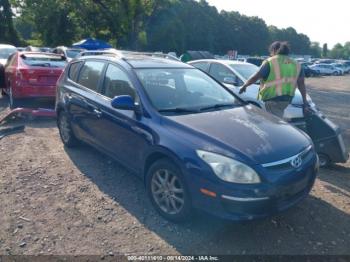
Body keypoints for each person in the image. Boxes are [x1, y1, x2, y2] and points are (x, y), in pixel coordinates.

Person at [239, 41, 310, 118]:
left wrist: (245, 85)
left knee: (274, 123)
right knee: (277, 119)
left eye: (271, 51)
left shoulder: (270, 61)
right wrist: (305, 101)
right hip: (287, 99)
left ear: (274, 50)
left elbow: (256, 77)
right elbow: (301, 84)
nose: (270, 54)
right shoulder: (296, 64)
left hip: (273, 99)